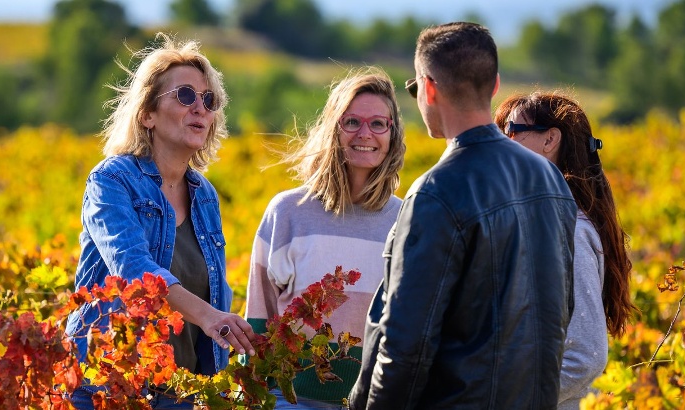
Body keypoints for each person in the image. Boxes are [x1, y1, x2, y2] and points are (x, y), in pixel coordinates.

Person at [348, 22, 578, 409]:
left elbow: (406, 343)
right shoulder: (550, 179)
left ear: (429, 87)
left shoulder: (438, 192)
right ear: (495, 86)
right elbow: (559, 312)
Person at [66, 33, 255, 408]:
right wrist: (210, 317)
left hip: (183, 391)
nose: (200, 108)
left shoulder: (204, 194)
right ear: (147, 114)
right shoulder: (111, 180)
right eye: (185, 96)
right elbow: (133, 269)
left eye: (209, 100)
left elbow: (211, 288)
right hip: (110, 384)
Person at [245, 67, 406, 408]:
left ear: (392, 133)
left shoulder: (406, 220)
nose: (366, 133)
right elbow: (260, 318)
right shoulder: (288, 213)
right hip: (289, 401)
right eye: (352, 122)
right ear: (333, 128)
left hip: (373, 402)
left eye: (378, 123)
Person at [494, 91, 636, 409]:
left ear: (550, 140)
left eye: (512, 131)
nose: (502, 142)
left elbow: (586, 356)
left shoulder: (570, 229)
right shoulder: (546, 223)